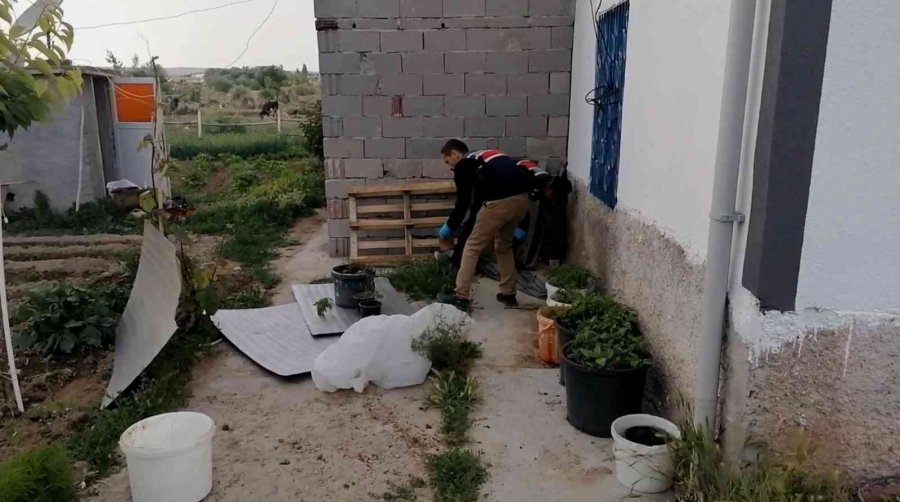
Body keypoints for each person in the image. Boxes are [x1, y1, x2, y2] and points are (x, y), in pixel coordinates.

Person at [438, 140, 536, 309]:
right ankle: (509, 294)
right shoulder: (487, 157)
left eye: (448, 161)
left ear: (455, 154)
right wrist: (523, 224)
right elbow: (508, 184)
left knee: (472, 247)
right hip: (522, 200)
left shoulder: (464, 164)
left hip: (499, 202)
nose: (450, 166)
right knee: (504, 246)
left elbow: (463, 202)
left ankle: (460, 296)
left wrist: (449, 227)